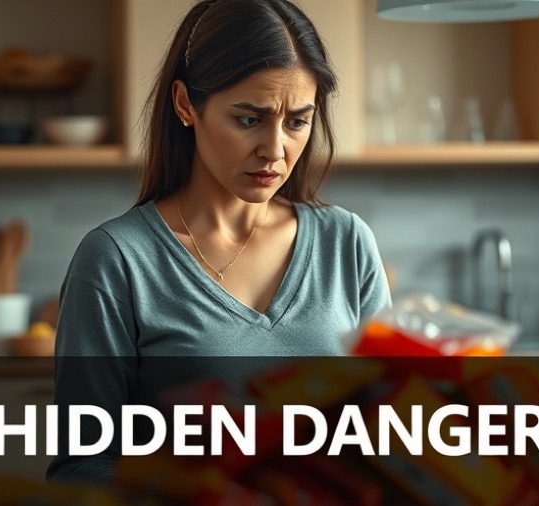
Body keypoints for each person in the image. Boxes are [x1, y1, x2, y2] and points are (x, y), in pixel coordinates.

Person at [47, 0, 391, 484]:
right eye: (249, 119)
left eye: (297, 121)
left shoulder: (347, 243)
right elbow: (80, 467)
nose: (275, 150)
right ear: (186, 104)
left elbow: (394, 432)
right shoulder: (116, 260)